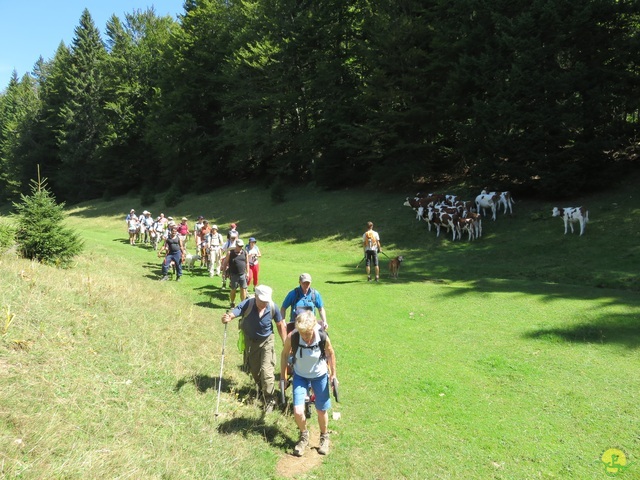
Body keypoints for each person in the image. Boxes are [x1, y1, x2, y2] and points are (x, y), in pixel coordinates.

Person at [221, 285, 287, 412]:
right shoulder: (248, 303)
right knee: (255, 371)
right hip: (251, 342)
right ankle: (261, 389)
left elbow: (279, 324)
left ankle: (269, 399)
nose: (264, 303)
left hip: (267, 341)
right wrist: (228, 317)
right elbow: (235, 312)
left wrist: (285, 342)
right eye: (261, 300)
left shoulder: (273, 307)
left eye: (266, 301)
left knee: (266, 371)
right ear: (256, 296)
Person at [280, 310, 337, 456]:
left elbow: (330, 353)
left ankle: (324, 437)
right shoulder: (293, 337)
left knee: (321, 410)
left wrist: (333, 375)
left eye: (308, 333)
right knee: (298, 410)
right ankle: (304, 436)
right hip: (300, 376)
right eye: (302, 333)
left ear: (313, 328)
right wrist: (283, 376)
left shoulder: (322, 336)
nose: (305, 336)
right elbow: (285, 354)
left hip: (320, 375)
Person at [225, 238, 249, 308]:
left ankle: (242, 304)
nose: (240, 247)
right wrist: (224, 272)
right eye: (239, 246)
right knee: (233, 289)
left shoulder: (245, 252)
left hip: (242, 274)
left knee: (243, 289)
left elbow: (247, 263)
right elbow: (225, 263)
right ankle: (232, 302)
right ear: (236, 245)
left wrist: (248, 273)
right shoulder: (230, 253)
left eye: (241, 246)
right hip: (234, 274)